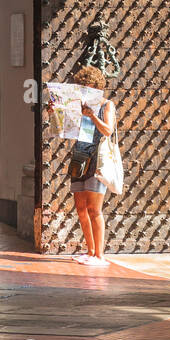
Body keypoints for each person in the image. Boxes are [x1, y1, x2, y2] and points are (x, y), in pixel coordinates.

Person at [68, 65, 116, 268]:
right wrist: (59, 114)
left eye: (89, 87)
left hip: (97, 158)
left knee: (94, 209)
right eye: (82, 87)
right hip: (80, 156)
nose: (85, 91)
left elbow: (107, 130)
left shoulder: (107, 105)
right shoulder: (77, 105)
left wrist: (92, 116)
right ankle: (90, 251)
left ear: (97, 87)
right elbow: (68, 130)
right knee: (80, 209)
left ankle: (100, 255)